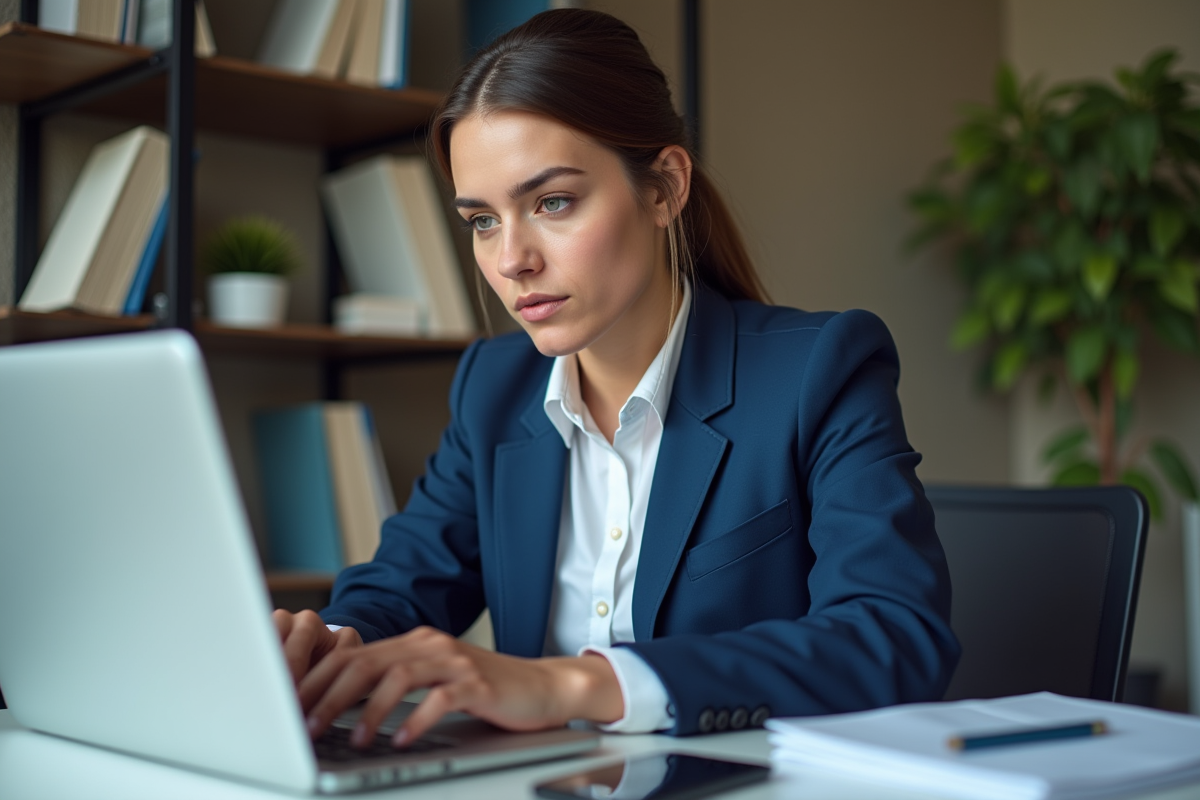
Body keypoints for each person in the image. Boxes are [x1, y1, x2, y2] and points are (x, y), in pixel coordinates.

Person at [273, 8, 960, 750]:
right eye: (482, 220)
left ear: (664, 188)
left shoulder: (818, 370)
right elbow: (404, 584)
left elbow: (895, 637)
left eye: (552, 202)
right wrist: (332, 643)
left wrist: (572, 684)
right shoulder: (493, 390)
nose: (512, 260)